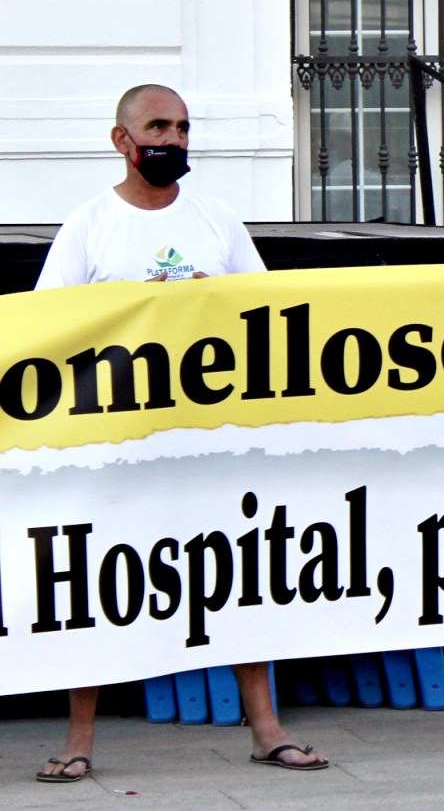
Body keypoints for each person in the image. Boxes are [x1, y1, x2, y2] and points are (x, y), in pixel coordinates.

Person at [32, 85, 328, 781]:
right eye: (157, 126)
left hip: (208, 441)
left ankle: (266, 728)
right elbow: (47, 329)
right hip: (116, 445)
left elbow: (264, 316)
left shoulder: (216, 220)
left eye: (184, 127)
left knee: (238, 576)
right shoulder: (89, 225)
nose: (173, 138)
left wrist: (212, 304)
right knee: (98, 583)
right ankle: (79, 738)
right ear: (122, 140)